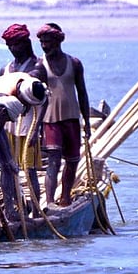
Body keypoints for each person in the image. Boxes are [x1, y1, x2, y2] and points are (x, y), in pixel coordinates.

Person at [36, 22, 92, 208]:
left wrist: (86, 122)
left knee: (73, 160)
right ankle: (50, 201)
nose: (45, 46)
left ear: (58, 41)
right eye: (42, 42)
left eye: (48, 42)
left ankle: (65, 197)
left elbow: (82, 92)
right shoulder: (40, 65)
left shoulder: (74, 63)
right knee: (53, 159)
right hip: (50, 119)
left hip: (71, 118)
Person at [0, 23, 46, 208]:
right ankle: (11, 207)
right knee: (7, 167)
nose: (12, 49)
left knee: (29, 168)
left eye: (15, 44)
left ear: (26, 43)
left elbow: (44, 101)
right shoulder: (6, 68)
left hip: (28, 124)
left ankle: (35, 209)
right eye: (9, 45)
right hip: (8, 124)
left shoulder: (37, 67)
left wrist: (36, 130)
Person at [0, 71, 48, 216]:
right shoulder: (2, 96)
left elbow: (45, 99)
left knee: (19, 167)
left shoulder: (31, 83)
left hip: (2, 118)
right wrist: (8, 158)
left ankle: (24, 210)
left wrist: (36, 129)